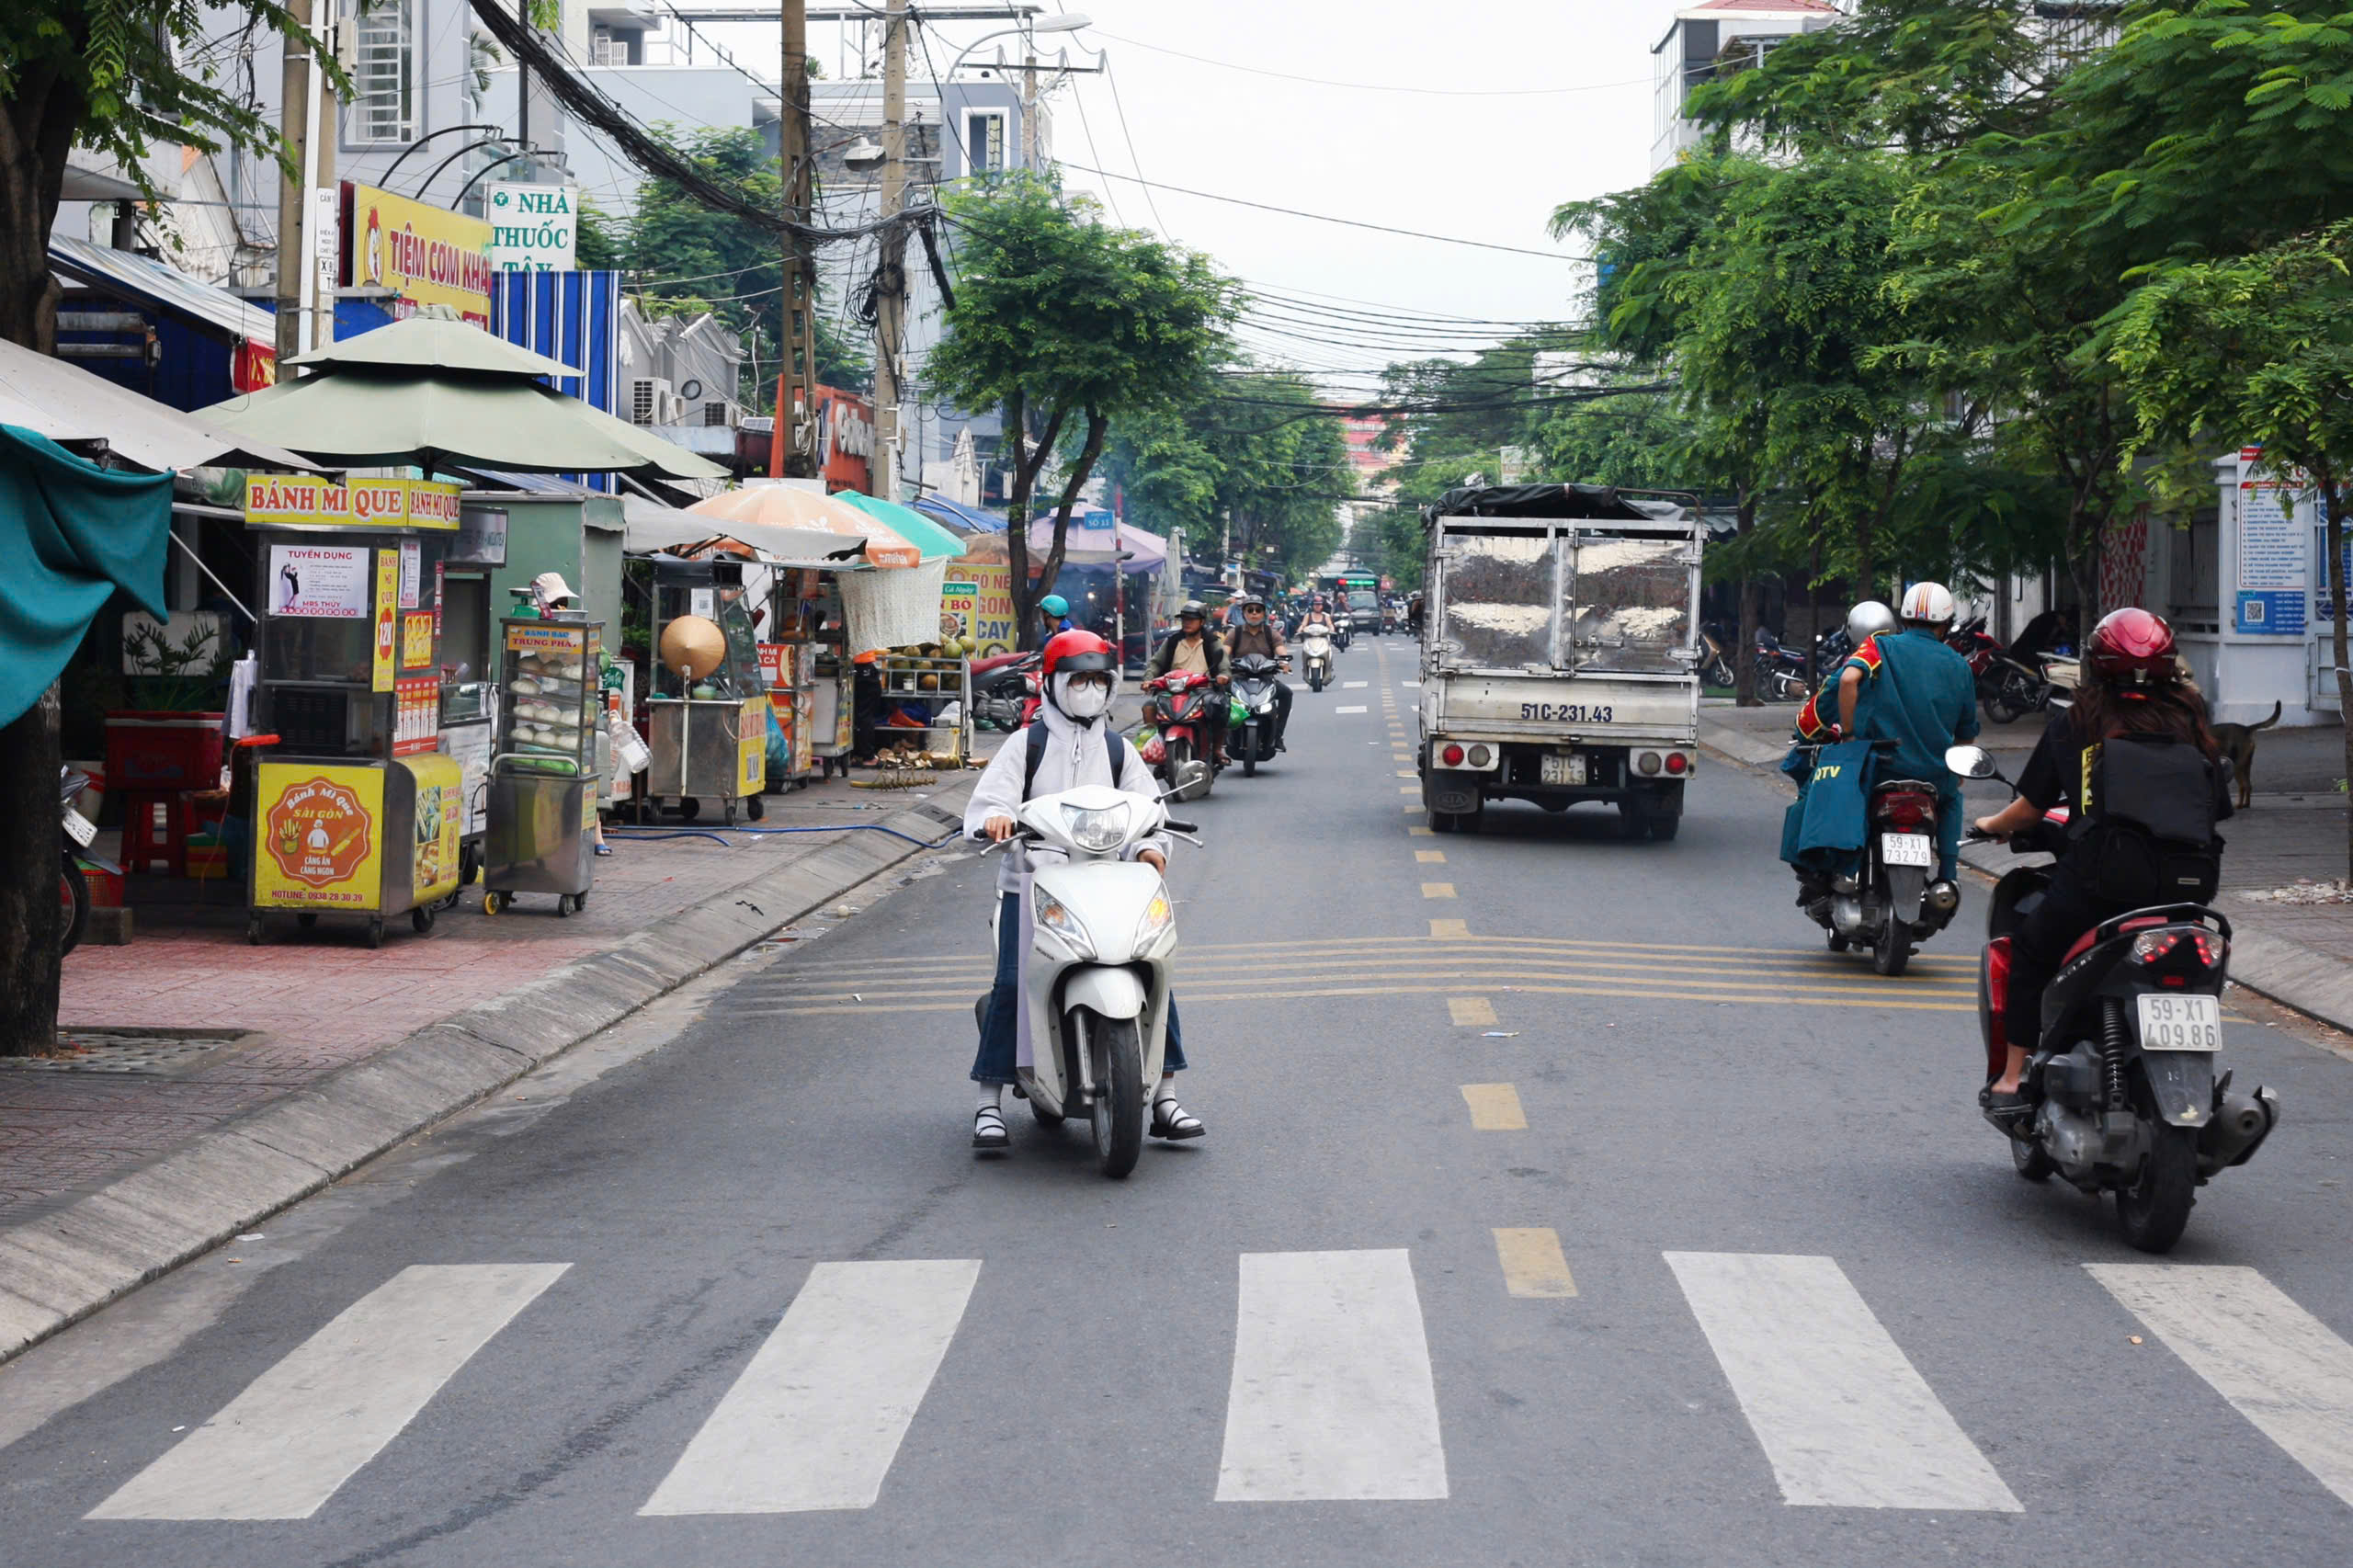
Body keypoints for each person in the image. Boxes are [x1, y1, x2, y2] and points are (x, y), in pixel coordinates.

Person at [1971, 608, 2231, 1120]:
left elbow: (2030, 809)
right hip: (2186, 890)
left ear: (2095, 664)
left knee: (2028, 954)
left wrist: (1991, 825)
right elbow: (2217, 806)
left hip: (2100, 885)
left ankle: (2013, 1075)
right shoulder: (2190, 717)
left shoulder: (2079, 720)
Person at [965, 631, 1202, 1149]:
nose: (1089, 690)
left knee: (1151, 970)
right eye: (1079, 680)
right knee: (1013, 982)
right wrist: (998, 821)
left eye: (1099, 680)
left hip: (1109, 883)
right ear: (1053, 684)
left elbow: (1153, 813)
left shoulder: (1119, 749)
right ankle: (989, 1103)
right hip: (1032, 881)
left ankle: (1165, 1094)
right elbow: (989, 804)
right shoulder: (1025, 744)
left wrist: (1154, 849)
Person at [1836, 581, 1979, 891]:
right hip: (1934, 775)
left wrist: (1848, 736)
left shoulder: (1880, 647)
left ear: (1904, 619)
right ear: (1946, 624)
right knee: (1952, 798)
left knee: (1852, 795)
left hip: (1880, 768)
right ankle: (1948, 877)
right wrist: (1956, 767)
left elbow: (1848, 680)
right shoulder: (1959, 665)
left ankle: (1849, 869)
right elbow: (1966, 732)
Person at [1148, 599, 1231, 762]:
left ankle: (1217, 749)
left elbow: (1224, 665)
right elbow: (1156, 663)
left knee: (1219, 707)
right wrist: (1148, 679)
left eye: (1191, 619)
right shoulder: (1172, 642)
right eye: (1184, 619)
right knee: (1149, 708)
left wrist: (1223, 676)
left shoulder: (1212, 642)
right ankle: (1158, 746)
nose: (1187, 623)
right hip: (1173, 690)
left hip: (1203, 690)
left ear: (1202, 622)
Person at [1222, 594, 1293, 751]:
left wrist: (1284, 662)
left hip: (1266, 679)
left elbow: (1281, 650)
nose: (1254, 613)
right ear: (1244, 613)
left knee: (1287, 694)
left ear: (1263, 614)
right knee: (1216, 696)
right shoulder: (1235, 633)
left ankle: (1278, 735)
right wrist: (1221, 665)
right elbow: (1224, 652)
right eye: (1250, 610)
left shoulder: (1271, 633)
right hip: (1238, 679)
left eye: (1258, 610)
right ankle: (1222, 734)